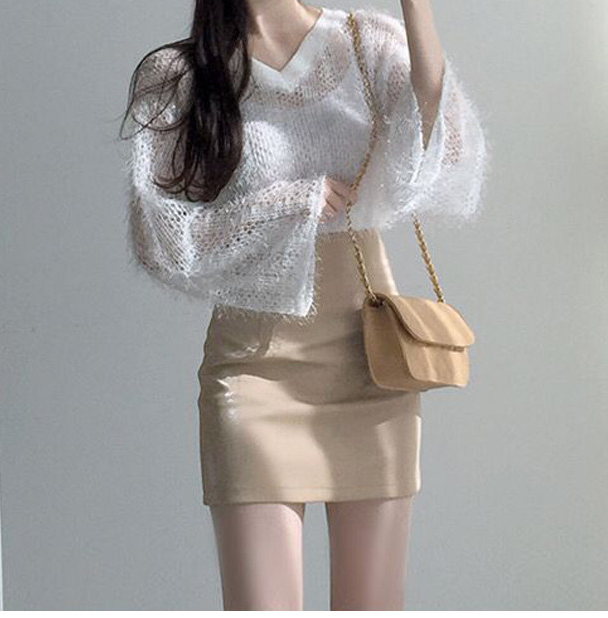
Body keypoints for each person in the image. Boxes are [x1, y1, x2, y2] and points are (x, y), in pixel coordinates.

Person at [119, 0, 491, 610]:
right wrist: (287, 206)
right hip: (253, 369)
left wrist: (417, 9)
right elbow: (161, 241)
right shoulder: (178, 76)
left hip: (372, 362)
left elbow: (445, 150)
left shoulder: (367, 41)